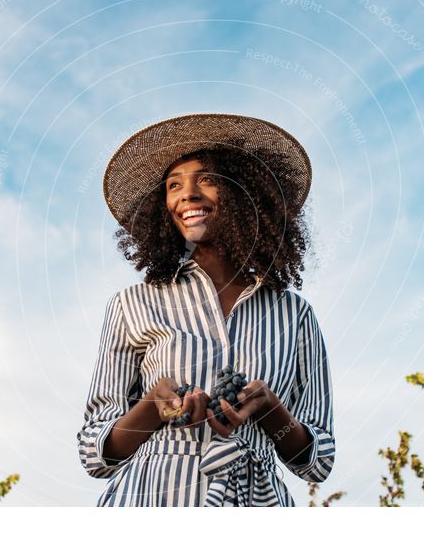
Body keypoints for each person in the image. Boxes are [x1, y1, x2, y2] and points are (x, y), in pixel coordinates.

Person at [77, 113, 335, 506]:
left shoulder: (294, 315)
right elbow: (96, 454)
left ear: (247, 193)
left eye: (208, 178)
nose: (187, 194)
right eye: (173, 185)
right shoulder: (132, 304)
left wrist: (270, 410)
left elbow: (316, 463)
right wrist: (152, 408)